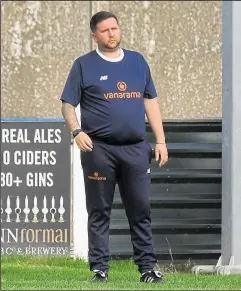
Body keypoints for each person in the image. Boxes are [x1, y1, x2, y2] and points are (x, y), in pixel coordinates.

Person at [60, 11, 168, 283]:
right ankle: (100, 269)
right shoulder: (83, 65)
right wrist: (76, 131)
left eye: (115, 28)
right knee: (99, 211)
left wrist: (161, 141)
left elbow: (150, 101)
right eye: (105, 30)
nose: (111, 34)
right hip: (99, 150)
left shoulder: (137, 62)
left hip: (135, 149)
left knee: (140, 209)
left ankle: (148, 268)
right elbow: (67, 104)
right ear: (94, 35)